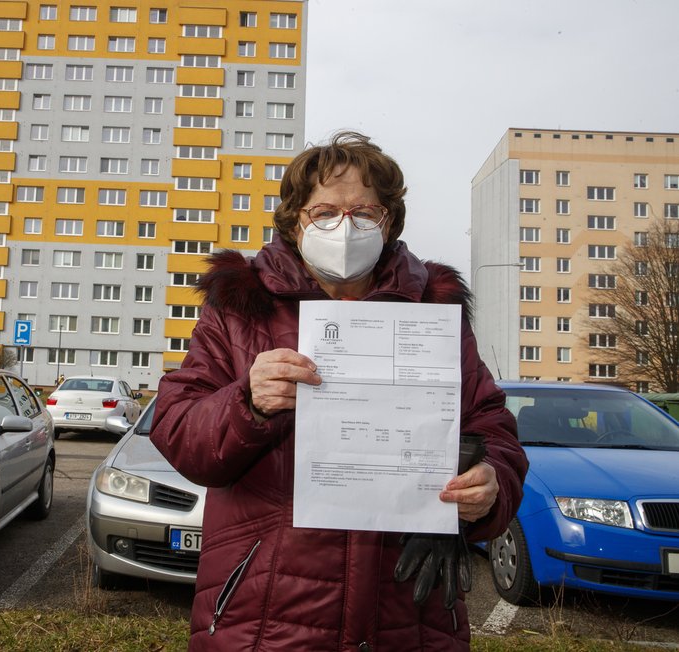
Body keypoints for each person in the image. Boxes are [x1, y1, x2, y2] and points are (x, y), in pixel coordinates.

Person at [150, 131, 528, 651]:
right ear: (294, 221)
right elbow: (176, 427)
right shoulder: (241, 307)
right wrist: (248, 402)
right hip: (265, 616)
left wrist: (490, 486)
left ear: (388, 221)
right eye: (324, 211)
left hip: (407, 614)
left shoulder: (431, 313)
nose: (345, 227)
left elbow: (491, 426)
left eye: (364, 212)